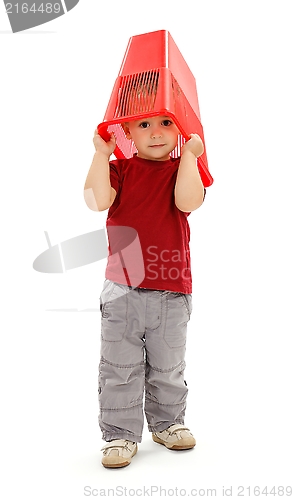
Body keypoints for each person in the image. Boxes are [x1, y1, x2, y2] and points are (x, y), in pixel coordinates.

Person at [84, 114, 206, 468]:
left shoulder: (183, 169)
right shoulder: (121, 169)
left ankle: (168, 422)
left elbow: (187, 202)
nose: (155, 132)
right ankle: (120, 433)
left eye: (167, 123)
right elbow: (95, 201)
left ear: (181, 130)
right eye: (144, 125)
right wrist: (100, 155)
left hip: (172, 289)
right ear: (127, 133)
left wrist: (190, 157)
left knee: (167, 364)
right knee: (119, 365)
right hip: (122, 289)